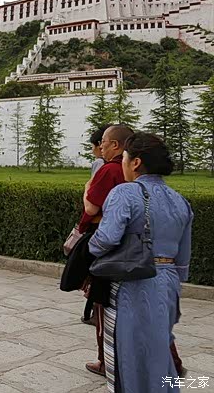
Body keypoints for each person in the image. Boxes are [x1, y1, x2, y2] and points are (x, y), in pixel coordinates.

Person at [89, 133, 193, 392]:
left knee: (130, 357)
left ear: (135, 162)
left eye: (124, 158)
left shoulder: (125, 193)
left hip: (134, 284)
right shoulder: (179, 200)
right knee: (159, 353)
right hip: (168, 284)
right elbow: (183, 260)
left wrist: (90, 247)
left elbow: (106, 238)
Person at [80, 124, 132, 377]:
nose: (100, 146)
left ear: (115, 145)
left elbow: (91, 208)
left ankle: (106, 361)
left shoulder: (110, 170)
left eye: (103, 141)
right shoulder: (147, 182)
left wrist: (87, 189)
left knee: (104, 303)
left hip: (110, 247)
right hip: (141, 254)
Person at [82, 124, 111, 325]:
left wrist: (86, 189)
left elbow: (92, 202)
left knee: (96, 268)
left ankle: (95, 312)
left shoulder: (102, 165)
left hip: (99, 224)